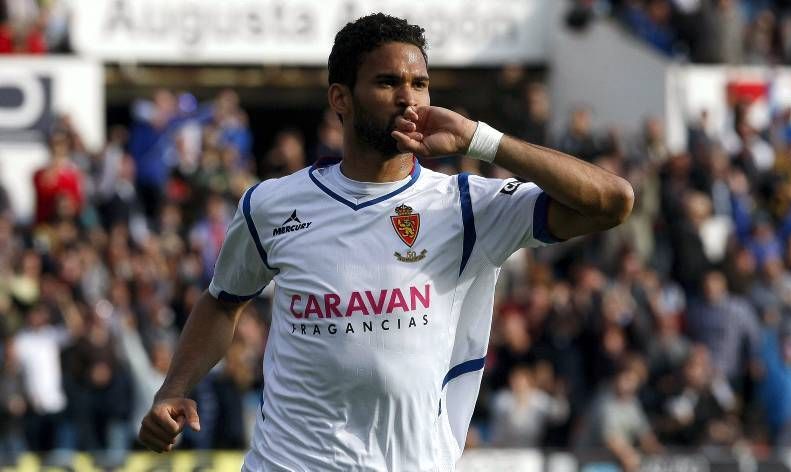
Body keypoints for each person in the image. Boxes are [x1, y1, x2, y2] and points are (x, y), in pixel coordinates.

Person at [138, 13, 634, 471]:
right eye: (387, 82)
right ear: (340, 99)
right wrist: (174, 389)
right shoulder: (270, 205)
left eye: (419, 84)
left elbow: (612, 201)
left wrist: (480, 140)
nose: (408, 98)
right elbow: (224, 302)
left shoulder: (466, 205)